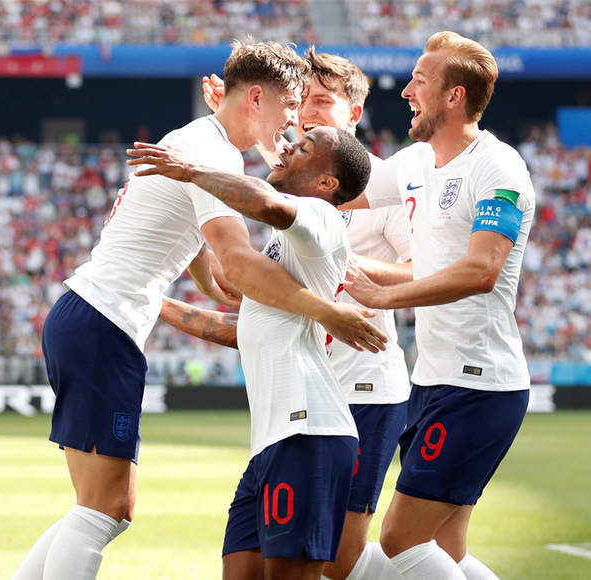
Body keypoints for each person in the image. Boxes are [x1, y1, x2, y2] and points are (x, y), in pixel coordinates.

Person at [12, 42, 385, 580]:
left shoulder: (202, 143)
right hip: (104, 322)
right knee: (104, 511)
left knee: (97, 510)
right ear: (257, 97)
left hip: (91, 314)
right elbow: (238, 261)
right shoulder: (210, 155)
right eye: (288, 107)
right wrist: (321, 310)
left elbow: (209, 260)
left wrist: (212, 284)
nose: (291, 124)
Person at [200, 48, 412, 580]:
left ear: (354, 116)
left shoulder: (383, 187)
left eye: (321, 102)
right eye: (301, 104)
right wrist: (234, 123)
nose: (306, 115)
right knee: (301, 559)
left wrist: (352, 276)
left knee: (337, 559)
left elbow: (427, 268)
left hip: (364, 384)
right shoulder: (298, 175)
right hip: (307, 383)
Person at [126, 124, 372, 580]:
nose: (287, 148)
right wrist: (148, 298)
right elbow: (248, 327)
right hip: (273, 441)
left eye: (305, 148)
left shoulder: (322, 218)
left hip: (309, 431)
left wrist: (191, 171)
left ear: (327, 184)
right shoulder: (289, 248)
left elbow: (264, 202)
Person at [340, 31, 536, 580]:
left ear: (453, 97)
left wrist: (386, 295)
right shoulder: (415, 163)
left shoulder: (499, 168)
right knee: (445, 551)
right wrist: (257, 151)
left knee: (400, 541)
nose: (405, 91)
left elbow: (482, 270)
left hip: (478, 385)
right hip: (433, 380)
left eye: (419, 82)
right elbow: (333, 188)